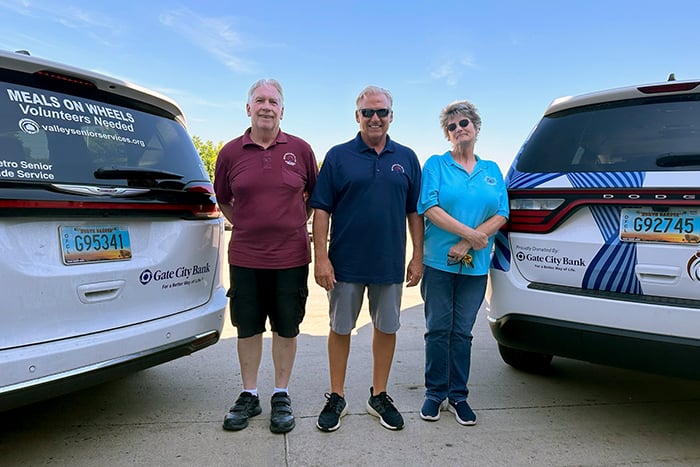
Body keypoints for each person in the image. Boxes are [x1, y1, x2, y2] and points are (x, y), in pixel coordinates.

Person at [310, 85, 423, 432]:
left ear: (391, 115)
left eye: (382, 112)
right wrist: (321, 258)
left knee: (386, 328)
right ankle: (337, 396)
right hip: (344, 265)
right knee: (340, 328)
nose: (375, 118)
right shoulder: (338, 156)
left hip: (389, 264)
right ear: (357, 115)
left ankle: (379, 395)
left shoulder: (406, 158)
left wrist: (417, 256)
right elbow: (321, 211)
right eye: (368, 112)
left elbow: (414, 213)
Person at [214, 79, 318, 434]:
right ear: (248, 108)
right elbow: (224, 199)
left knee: (287, 327)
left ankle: (280, 393)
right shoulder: (229, 153)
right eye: (259, 100)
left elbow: (312, 198)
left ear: (282, 110)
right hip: (245, 256)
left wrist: (288, 224)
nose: (266, 106)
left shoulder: (301, 150)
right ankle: (249, 393)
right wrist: (247, 224)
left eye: (273, 101)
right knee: (248, 326)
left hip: (291, 256)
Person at [417, 100, 508, 426]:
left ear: (476, 127)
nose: (459, 129)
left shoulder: (492, 171)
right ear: (447, 134)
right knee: (438, 329)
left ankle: (459, 396)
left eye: (464, 122)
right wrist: (467, 233)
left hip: (475, 266)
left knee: (462, 332)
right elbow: (429, 206)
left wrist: (469, 242)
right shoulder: (436, 165)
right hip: (439, 264)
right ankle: (434, 394)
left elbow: (502, 213)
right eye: (452, 126)